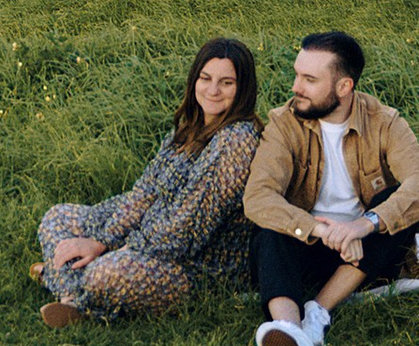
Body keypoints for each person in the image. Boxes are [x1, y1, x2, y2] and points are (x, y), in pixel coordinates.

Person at [243, 29, 419, 346]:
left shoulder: (384, 122)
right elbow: (258, 196)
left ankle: (317, 312)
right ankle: (288, 330)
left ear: (344, 87)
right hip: (305, 242)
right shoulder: (284, 123)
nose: (295, 87)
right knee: (271, 226)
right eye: (296, 74)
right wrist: (322, 230)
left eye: (309, 79)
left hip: (361, 253)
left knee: (400, 206)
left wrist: (361, 227)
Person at [34, 38, 262, 324]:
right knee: (58, 217)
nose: (213, 90)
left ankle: (63, 280)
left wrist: (120, 247)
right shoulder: (189, 127)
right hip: (151, 234)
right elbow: (144, 193)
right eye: (206, 78)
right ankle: (71, 298)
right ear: (195, 80)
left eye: (226, 83)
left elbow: (187, 228)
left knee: (104, 273)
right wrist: (103, 239)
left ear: (242, 89)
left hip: (195, 266)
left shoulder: (236, 140)